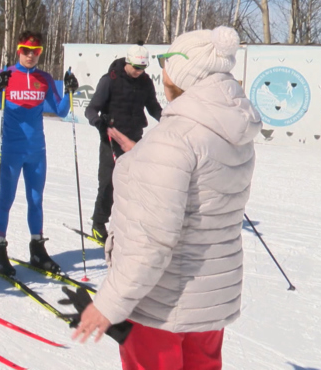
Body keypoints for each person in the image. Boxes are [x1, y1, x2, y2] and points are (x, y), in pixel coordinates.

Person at [72, 27, 261, 370]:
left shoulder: (173, 142)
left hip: (162, 306)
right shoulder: (230, 131)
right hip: (208, 303)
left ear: (184, 73)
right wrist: (142, 155)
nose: (159, 71)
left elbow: (151, 241)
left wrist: (108, 305)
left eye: (165, 61)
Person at [0, 31, 78, 275]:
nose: (30, 55)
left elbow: (60, 110)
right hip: (12, 150)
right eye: (26, 50)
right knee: (6, 200)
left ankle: (37, 249)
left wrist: (69, 92)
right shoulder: (6, 75)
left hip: (37, 151)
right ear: (18, 50)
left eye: (35, 51)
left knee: (36, 200)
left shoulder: (44, 78)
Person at [84, 41, 162, 244]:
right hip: (111, 138)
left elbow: (153, 106)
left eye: (143, 68)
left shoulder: (145, 82)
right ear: (128, 62)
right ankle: (99, 223)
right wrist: (98, 122)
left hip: (135, 137)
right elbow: (91, 109)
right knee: (109, 183)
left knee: (135, 183)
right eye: (136, 67)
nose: (139, 72)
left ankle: (129, 224)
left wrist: (168, 119)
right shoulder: (110, 80)